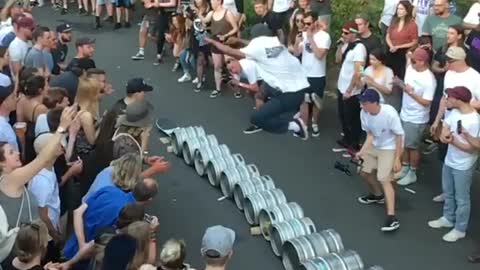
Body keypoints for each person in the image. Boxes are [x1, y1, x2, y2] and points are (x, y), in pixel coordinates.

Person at [205, 24, 310, 139]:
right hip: (299, 88)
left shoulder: (257, 49)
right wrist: (238, 40)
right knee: (263, 93)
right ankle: (299, 109)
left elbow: (229, 50)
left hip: (288, 93)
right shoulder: (277, 44)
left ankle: (294, 125)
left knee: (257, 118)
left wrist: (213, 42)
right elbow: (255, 46)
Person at [63, 177, 158, 261]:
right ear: (149, 200)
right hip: (90, 259)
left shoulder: (108, 190)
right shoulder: (131, 219)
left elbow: (78, 212)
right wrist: (151, 233)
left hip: (72, 246)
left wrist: (81, 244)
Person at [428, 86, 479, 242]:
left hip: (463, 165)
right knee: (448, 191)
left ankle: (460, 228)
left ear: (458, 100)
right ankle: (448, 218)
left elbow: (473, 148)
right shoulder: (455, 113)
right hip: (450, 160)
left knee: (462, 198)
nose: (446, 100)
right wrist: (444, 135)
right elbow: (446, 128)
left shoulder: (474, 120)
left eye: (449, 98)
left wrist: (455, 141)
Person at [355, 89, 404, 232]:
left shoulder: (389, 113)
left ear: (375, 103)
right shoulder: (364, 113)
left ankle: (392, 218)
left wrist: (397, 159)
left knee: (384, 178)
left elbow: (399, 136)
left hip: (389, 147)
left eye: (364, 103)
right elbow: (370, 134)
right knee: (363, 173)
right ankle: (377, 195)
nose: (361, 105)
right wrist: (362, 152)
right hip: (374, 145)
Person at [395, 48, 436, 186]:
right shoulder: (410, 68)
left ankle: (412, 172)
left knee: (412, 146)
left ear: (423, 62)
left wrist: (411, 93)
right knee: (404, 143)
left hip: (417, 117)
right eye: (411, 60)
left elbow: (427, 102)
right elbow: (405, 84)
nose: (411, 63)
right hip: (405, 112)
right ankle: (404, 167)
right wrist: (399, 83)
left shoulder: (429, 80)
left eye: (414, 61)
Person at [293, 11, 330, 137]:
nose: (306, 25)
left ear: (315, 22)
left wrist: (310, 39)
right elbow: (297, 54)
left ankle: (314, 123)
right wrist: (297, 43)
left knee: (316, 102)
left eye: (308, 23)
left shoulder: (324, 36)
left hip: (317, 75)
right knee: (303, 100)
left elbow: (319, 55)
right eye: (304, 23)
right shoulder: (302, 34)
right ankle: (304, 125)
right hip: (304, 74)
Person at [334, 20, 367, 152]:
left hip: (352, 91)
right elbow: (337, 60)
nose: (343, 35)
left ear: (354, 33)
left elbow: (359, 71)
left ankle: (354, 144)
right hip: (341, 86)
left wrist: (349, 90)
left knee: (352, 119)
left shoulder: (359, 48)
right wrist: (339, 46)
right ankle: (346, 139)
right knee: (342, 116)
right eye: (342, 32)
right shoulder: (347, 45)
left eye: (346, 33)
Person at [385, 0, 418, 79]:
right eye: (398, 9)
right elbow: (387, 35)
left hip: (403, 53)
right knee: (389, 74)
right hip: (391, 50)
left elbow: (415, 42)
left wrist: (399, 47)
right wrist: (391, 46)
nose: (399, 11)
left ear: (407, 10)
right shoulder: (394, 21)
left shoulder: (412, 25)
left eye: (401, 9)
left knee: (400, 75)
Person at [0, 82, 18, 151]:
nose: (16, 99)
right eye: (12, 97)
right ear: (4, 102)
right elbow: (15, 152)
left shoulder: (5, 121)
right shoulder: (4, 128)